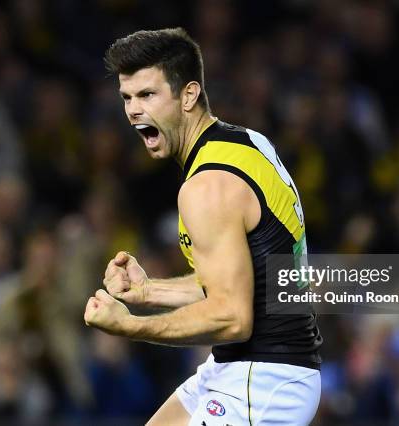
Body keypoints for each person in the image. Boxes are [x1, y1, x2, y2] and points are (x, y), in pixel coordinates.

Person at [84, 27, 322, 425]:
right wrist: (148, 291)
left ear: (189, 94)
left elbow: (232, 316)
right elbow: (240, 279)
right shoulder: (246, 142)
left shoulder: (207, 186)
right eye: (127, 97)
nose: (133, 111)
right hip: (250, 368)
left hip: (262, 380)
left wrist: (128, 325)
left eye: (147, 95)